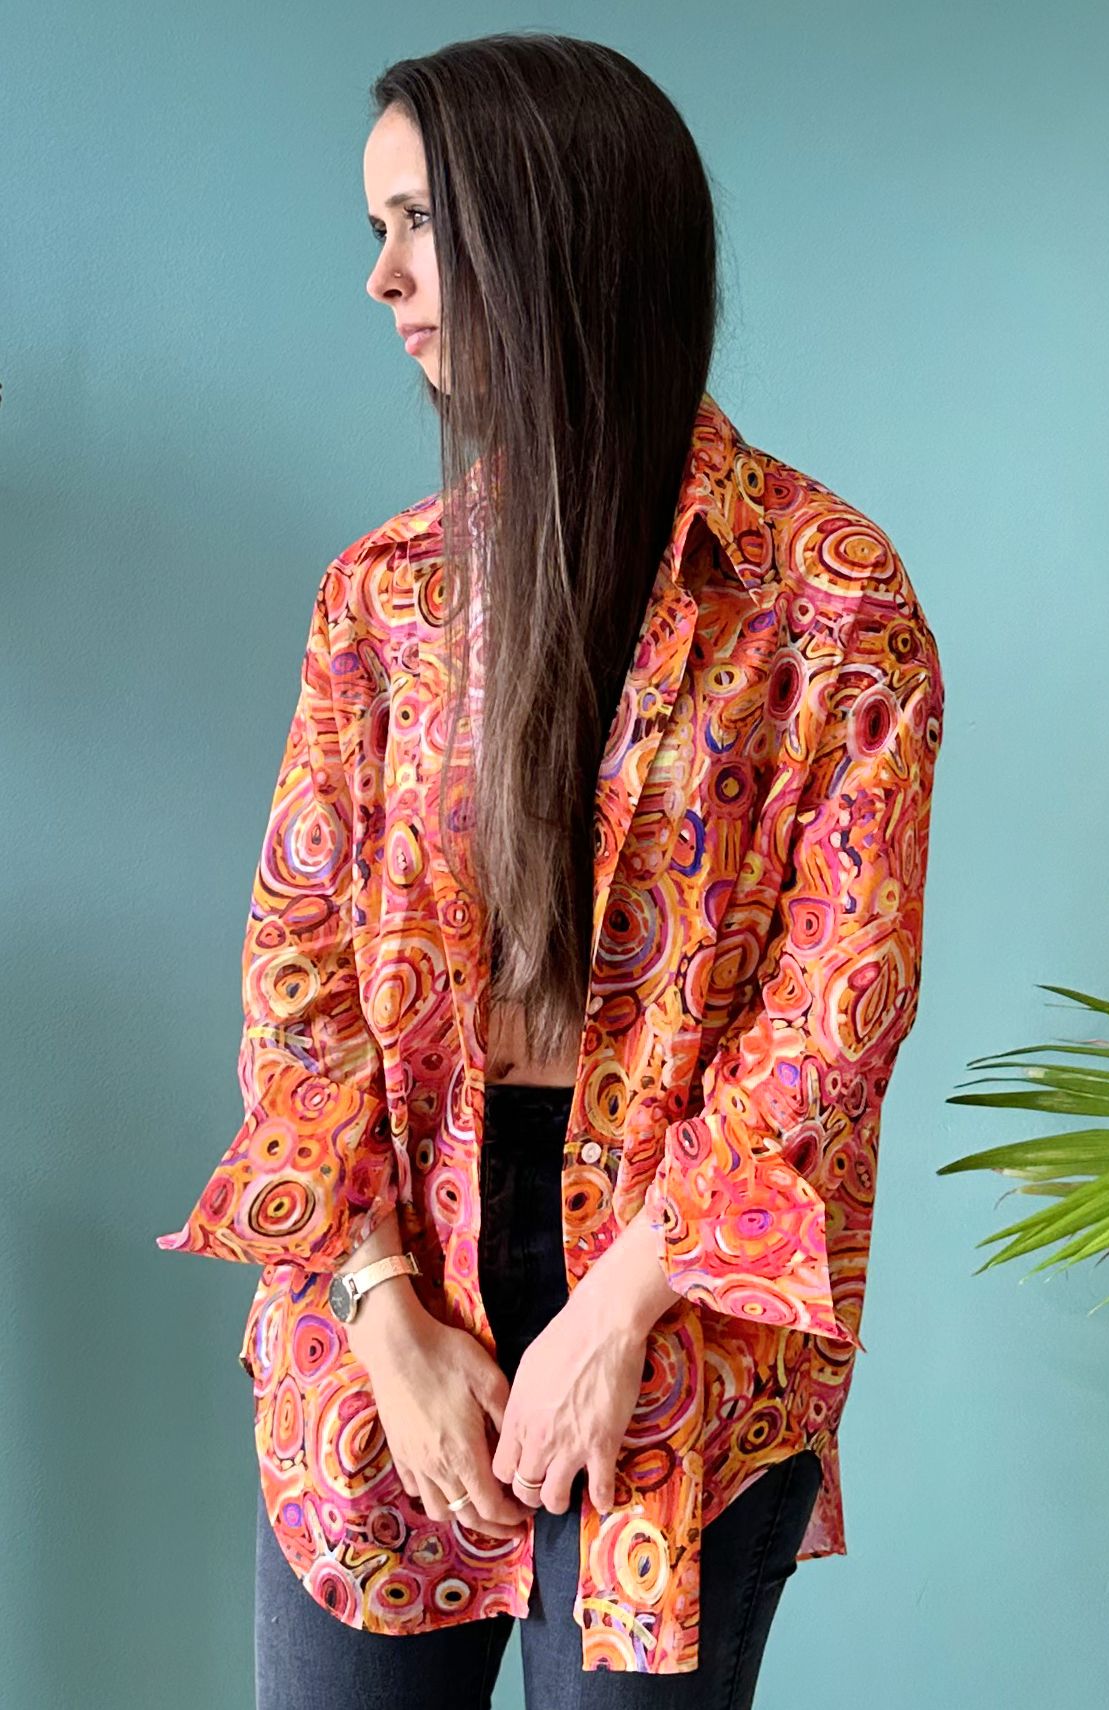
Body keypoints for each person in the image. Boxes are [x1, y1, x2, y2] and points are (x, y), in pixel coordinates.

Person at [152, 30, 946, 1710]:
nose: (381, 280)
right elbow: (297, 979)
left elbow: (835, 1008)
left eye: (419, 224)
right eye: (374, 229)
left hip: (683, 1297)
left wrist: (615, 1310)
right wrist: (379, 1308)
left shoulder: (827, 598)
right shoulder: (384, 596)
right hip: (386, 1278)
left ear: (556, 227)